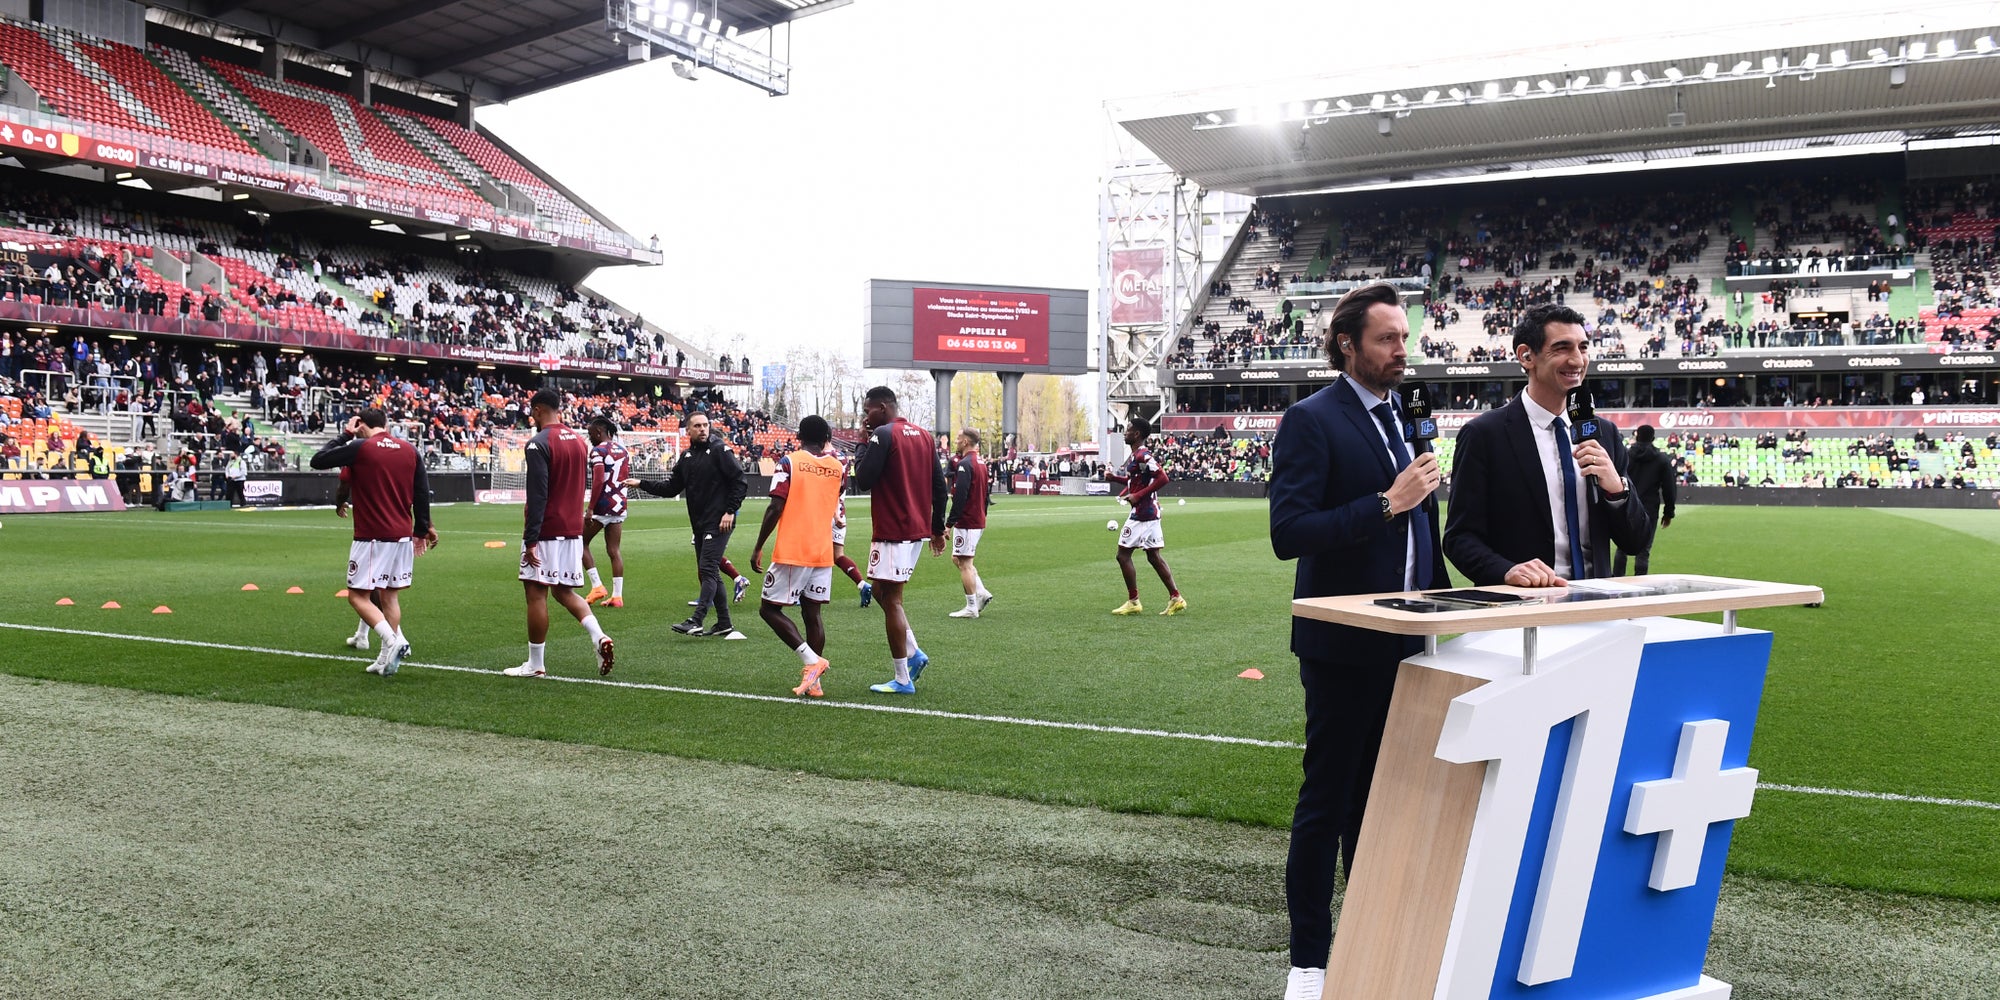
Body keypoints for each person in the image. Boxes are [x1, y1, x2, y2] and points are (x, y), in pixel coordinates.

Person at [1266, 281, 1449, 1000]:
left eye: (1405, 337)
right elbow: (1290, 533)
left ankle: (1375, 940)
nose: (1403, 350)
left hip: (1410, 641)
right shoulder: (1312, 420)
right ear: (1349, 345)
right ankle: (1309, 963)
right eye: (1387, 339)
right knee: (1328, 801)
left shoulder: (1407, 416)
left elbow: (1423, 529)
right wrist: (1386, 502)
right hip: (1344, 645)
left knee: (1382, 804)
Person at [1443, 303, 1648, 586]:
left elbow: (1636, 541)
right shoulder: (1484, 434)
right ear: (1527, 356)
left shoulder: (1605, 434)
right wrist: (1507, 570)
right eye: (1562, 348)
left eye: (1583, 348)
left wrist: (1617, 490)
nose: (1577, 361)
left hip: (1595, 606)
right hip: (1522, 611)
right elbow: (1459, 538)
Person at [309, 408, 438, 677]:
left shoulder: (360, 447)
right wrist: (423, 528)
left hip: (372, 536)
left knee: (358, 596)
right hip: (402, 535)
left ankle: (394, 641)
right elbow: (421, 492)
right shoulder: (409, 450)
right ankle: (383, 659)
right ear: (387, 424)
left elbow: (318, 460)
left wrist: (345, 433)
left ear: (361, 425)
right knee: (389, 596)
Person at [504, 389, 616, 678]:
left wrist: (530, 539)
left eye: (532, 411)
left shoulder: (538, 443)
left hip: (546, 531)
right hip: (572, 530)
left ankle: (535, 664)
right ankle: (598, 636)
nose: (531, 416)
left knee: (536, 594)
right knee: (563, 591)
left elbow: (538, 494)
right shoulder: (579, 443)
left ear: (539, 409)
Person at [849, 386, 947, 694]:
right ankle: (915, 653)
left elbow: (863, 480)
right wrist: (937, 527)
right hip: (915, 530)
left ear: (881, 408)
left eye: (867, 411)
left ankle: (903, 678)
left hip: (893, 531)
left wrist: (863, 441)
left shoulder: (882, 435)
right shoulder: (924, 436)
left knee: (891, 600)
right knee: (879, 591)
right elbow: (940, 486)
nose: (865, 417)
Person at [629, 411, 748, 638]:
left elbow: (740, 481)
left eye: (705, 425)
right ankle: (724, 623)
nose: (703, 429)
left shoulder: (720, 450)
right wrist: (641, 483)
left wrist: (730, 511)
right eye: (697, 426)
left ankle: (697, 619)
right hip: (700, 524)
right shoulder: (686, 458)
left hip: (719, 521)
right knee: (711, 572)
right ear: (688, 430)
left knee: (707, 570)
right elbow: (671, 488)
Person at [747, 415, 842, 697]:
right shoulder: (838, 467)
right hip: (822, 552)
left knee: (768, 609)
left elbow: (776, 506)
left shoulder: (789, 462)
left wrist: (758, 545)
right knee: (812, 614)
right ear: (826, 437)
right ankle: (815, 682)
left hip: (794, 549)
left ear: (799, 436)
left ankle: (811, 661)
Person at [1106, 417, 1186, 616]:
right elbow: (1136, 481)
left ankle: (1133, 601)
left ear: (1137, 434)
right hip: (1150, 512)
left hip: (1143, 514)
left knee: (1123, 555)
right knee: (1153, 556)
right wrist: (1115, 478)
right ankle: (1176, 597)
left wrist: (1138, 496)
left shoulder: (1143, 455)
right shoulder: (1136, 456)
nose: (1125, 433)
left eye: (1128, 430)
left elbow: (1163, 478)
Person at [1613, 424, 1677, 577]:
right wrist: (1668, 513)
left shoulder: (1625, 455)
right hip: (1649, 509)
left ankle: (1615, 581)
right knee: (1644, 551)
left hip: (1626, 505)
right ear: (1653, 438)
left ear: (1636, 436)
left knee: (1621, 547)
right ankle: (1641, 584)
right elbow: (1669, 488)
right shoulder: (1661, 459)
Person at [581, 417, 630, 608]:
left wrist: (591, 508)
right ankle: (617, 597)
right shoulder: (623, 450)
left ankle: (597, 586)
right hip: (619, 505)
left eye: (591, 433)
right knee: (614, 551)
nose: (589, 437)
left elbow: (599, 480)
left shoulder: (598, 451)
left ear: (599, 432)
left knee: (580, 543)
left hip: (602, 505)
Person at [945, 428, 994, 618]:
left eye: (958, 438)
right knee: (958, 558)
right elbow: (986, 493)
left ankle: (972, 607)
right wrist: (985, 514)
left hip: (968, 520)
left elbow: (960, 496)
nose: (956, 441)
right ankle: (981, 591)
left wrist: (949, 523)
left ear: (965, 441)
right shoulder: (981, 463)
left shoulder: (966, 464)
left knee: (965, 563)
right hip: (978, 518)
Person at [833, 490, 873, 608]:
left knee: (810, 552)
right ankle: (862, 584)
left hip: (827, 515)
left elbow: (830, 492)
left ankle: (799, 593)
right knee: (838, 556)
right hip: (840, 515)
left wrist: (834, 515)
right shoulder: (844, 472)